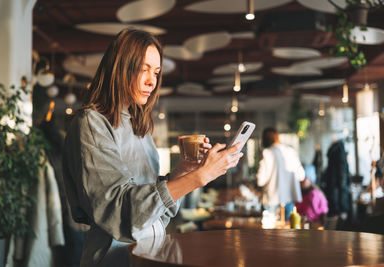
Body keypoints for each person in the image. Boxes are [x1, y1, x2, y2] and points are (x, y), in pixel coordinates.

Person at [62, 28, 243, 267]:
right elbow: (118, 213)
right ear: (121, 66)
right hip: (115, 259)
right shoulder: (91, 123)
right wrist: (200, 177)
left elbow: (155, 210)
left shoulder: (139, 126)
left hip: (153, 255)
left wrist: (183, 172)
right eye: (143, 69)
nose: (151, 81)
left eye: (156, 72)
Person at [256, 127, 305, 220]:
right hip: (289, 198)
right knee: (288, 232)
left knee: (269, 232)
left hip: (271, 200)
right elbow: (301, 176)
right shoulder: (291, 151)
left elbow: (260, 181)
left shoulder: (267, 152)